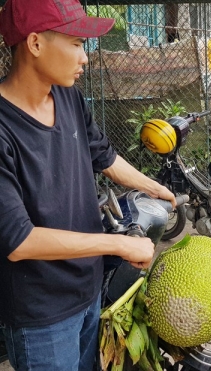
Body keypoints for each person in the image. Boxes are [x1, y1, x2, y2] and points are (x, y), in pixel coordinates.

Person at [0, 0, 177, 370]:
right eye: (77, 44)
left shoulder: (69, 98)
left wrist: (157, 188)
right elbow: (18, 240)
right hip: (42, 315)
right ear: (35, 43)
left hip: (88, 292)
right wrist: (118, 244)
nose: (85, 58)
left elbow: (105, 157)